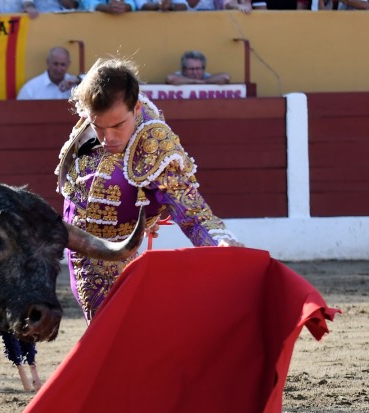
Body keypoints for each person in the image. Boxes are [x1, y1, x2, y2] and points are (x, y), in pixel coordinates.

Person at [56, 58, 242, 321]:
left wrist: (220, 242)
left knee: (116, 336)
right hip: (77, 246)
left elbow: (194, 215)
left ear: (137, 107)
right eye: (99, 126)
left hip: (120, 252)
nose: (108, 138)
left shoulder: (155, 145)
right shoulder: (94, 117)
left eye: (118, 125)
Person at [166, 50, 232, 85]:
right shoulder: (179, 75)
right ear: (184, 69)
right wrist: (194, 81)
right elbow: (171, 79)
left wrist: (204, 81)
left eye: (198, 69)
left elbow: (225, 77)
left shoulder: (206, 76)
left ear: (203, 68)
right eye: (191, 69)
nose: (195, 72)